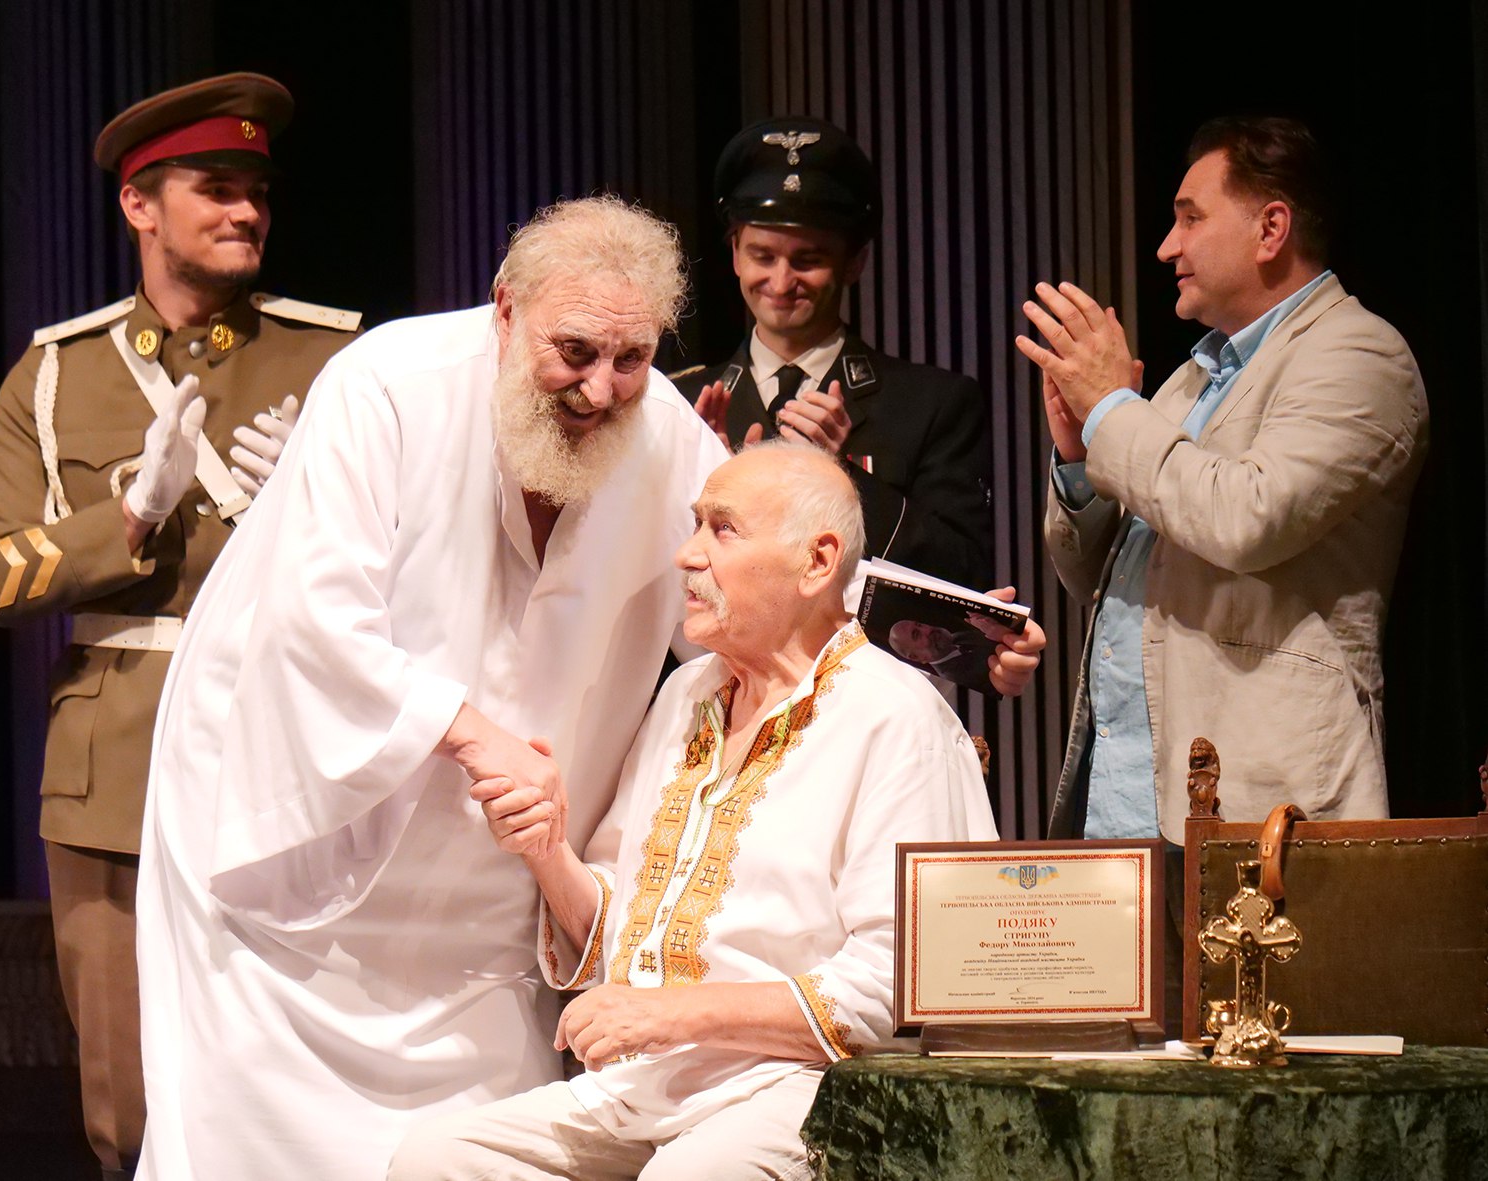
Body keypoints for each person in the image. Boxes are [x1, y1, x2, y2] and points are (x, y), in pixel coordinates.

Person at [134, 195, 734, 1179]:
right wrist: (470, 732)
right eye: (575, 351)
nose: (600, 387)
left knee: (476, 1140)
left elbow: (752, 588)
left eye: (631, 358)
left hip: (489, 888)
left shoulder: (661, 427)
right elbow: (313, 616)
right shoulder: (388, 383)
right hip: (290, 844)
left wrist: (890, 670)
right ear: (506, 309)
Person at [388, 440, 998, 1181]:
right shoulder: (687, 694)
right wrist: (546, 847)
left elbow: (898, 985)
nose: (687, 554)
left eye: (722, 529)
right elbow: (618, 936)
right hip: (652, 1084)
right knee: (436, 1160)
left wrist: (674, 1013)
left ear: (817, 562)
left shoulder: (896, 717)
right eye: (695, 524)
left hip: (808, 1084)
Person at [0, 73, 359, 1180]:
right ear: (140, 206)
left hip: (287, 746)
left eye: (257, 192)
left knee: (288, 1075)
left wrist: (313, 508)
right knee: (128, 1092)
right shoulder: (55, 375)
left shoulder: (336, 360)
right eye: (216, 189)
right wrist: (130, 515)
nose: (246, 212)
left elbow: (424, 558)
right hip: (118, 767)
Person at [1015, 115, 1428, 843]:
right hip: (1124, 803)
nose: (1167, 246)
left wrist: (1114, 409)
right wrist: (1081, 460)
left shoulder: (1360, 355)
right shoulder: (1192, 379)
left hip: (1256, 805)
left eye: (1190, 218)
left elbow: (1245, 519)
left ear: (1271, 229)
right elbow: (1097, 580)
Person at [673, 116, 993, 588]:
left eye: (808, 260)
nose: (782, 282)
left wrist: (841, 478)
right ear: (735, 253)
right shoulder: (680, 401)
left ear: (854, 262)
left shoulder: (932, 405)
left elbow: (964, 576)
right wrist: (697, 484)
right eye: (763, 256)